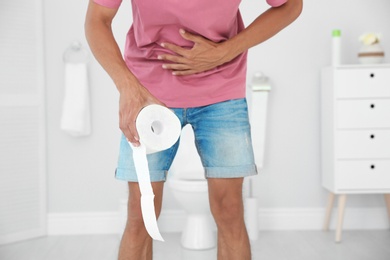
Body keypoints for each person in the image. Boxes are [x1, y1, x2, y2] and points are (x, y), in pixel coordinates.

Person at [85, 0, 302, 259]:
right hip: (148, 93)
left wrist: (225, 51)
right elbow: (97, 19)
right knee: (141, 213)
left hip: (221, 90)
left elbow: (291, 5)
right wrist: (127, 87)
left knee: (230, 210)